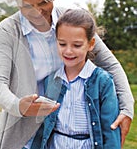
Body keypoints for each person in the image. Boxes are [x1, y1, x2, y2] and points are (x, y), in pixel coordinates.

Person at [0, 0, 134, 149]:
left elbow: (111, 65)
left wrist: (127, 109)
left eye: (43, 2)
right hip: (26, 132)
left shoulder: (71, 21)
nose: (37, 12)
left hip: (67, 126)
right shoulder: (8, 30)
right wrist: (18, 105)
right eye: (28, 6)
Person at [32, 8, 121, 148]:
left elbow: (110, 132)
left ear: (91, 44)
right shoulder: (51, 80)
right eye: (62, 44)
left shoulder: (102, 82)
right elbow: (43, 126)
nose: (68, 51)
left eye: (77, 45)